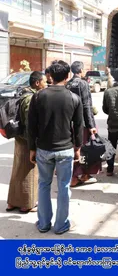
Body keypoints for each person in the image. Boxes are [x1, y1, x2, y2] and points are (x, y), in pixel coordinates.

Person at [28, 60, 83, 234]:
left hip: (44, 149)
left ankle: (43, 224)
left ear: (50, 76)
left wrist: (32, 148)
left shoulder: (38, 96)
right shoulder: (74, 98)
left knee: (44, 184)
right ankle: (61, 225)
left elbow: (31, 126)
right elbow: (78, 126)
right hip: (65, 149)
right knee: (64, 186)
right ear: (67, 76)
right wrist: (78, 147)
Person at [6, 72, 47, 214]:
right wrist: (33, 145)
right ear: (37, 83)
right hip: (26, 139)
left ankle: (12, 202)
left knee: (17, 170)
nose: (46, 84)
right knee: (29, 171)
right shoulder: (31, 98)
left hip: (19, 137)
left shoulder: (22, 93)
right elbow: (30, 123)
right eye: (44, 82)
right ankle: (27, 204)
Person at [66, 61, 99, 187]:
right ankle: (80, 176)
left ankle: (77, 175)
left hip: (70, 122)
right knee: (85, 149)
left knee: (74, 148)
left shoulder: (68, 84)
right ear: (80, 71)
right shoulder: (83, 84)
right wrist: (91, 125)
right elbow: (86, 106)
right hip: (82, 122)